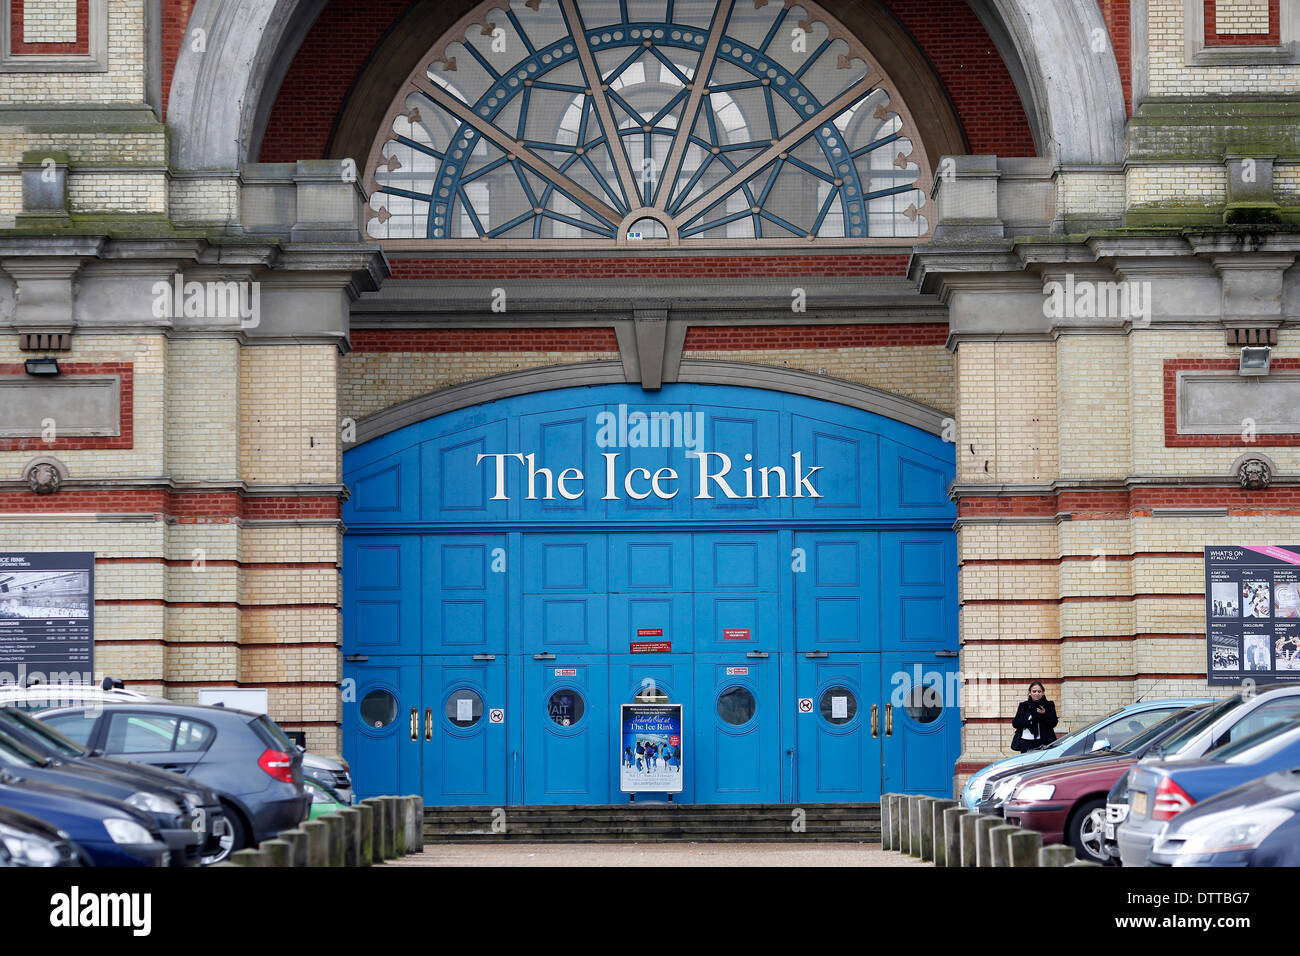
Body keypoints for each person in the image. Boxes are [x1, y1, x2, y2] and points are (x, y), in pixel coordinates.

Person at [1009, 680, 1058, 753]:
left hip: (1043, 742)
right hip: (1025, 741)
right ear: (1030, 693)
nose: (1036, 693)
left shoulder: (1049, 705)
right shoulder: (1023, 705)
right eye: (1034, 691)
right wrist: (1027, 723)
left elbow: (1054, 723)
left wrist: (1044, 714)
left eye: (1039, 691)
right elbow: (1015, 723)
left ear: (1043, 693)